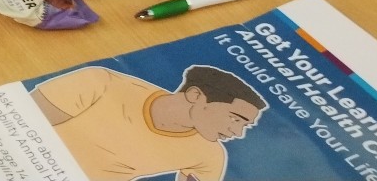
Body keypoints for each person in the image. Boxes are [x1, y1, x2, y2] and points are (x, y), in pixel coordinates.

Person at [31, 64, 265, 181]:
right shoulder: (100, 83)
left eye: (244, 125)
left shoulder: (209, 155)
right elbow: (20, 120)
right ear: (196, 95)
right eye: (235, 119)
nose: (237, 132)